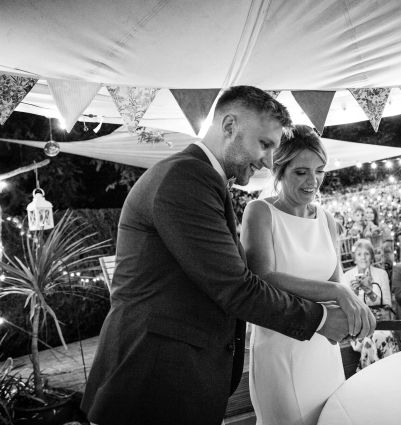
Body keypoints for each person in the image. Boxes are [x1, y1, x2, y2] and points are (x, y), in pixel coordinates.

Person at [81, 87, 373, 425]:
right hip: (154, 377)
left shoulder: (202, 179)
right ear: (230, 125)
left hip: (179, 374)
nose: (267, 161)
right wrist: (321, 319)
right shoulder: (186, 177)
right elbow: (236, 286)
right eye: (264, 144)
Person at [241, 125, 375, 425]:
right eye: (301, 172)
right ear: (279, 170)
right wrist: (337, 293)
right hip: (280, 346)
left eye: (319, 170)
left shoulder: (327, 219)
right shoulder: (259, 212)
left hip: (323, 345)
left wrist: (352, 309)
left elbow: (334, 281)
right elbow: (262, 278)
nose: (312, 181)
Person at [342, 239, 398, 371]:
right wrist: (353, 293)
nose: (363, 257)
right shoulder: (347, 276)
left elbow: (387, 304)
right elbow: (346, 307)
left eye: (366, 254)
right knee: (369, 339)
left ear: (371, 257)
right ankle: (381, 372)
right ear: (354, 258)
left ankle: (373, 372)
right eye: (359, 254)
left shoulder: (381, 274)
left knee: (379, 336)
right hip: (359, 326)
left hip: (381, 322)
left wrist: (369, 291)